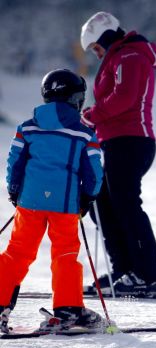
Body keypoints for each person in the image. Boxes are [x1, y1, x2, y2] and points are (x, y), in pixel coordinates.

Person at [0, 69, 104, 333]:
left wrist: (15, 191)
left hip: (30, 202)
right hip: (65, 204)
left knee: (17, 252)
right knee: (65, 255)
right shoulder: (83, 133)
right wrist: (88, 196)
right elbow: (93, 170)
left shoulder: (28, 127)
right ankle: (68, 310)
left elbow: (15, 163)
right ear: (73, 98)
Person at [79, 11, 156, 296]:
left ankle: (147, 275)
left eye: (95, 47)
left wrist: (92, 116)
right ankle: (124, 271)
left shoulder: (130, 57)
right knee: (102, 203)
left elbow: (125, 97)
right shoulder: (118, 57)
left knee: (126, 204)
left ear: (105, 37)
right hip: (114, 141)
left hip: (131, 140)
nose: (96, 53)